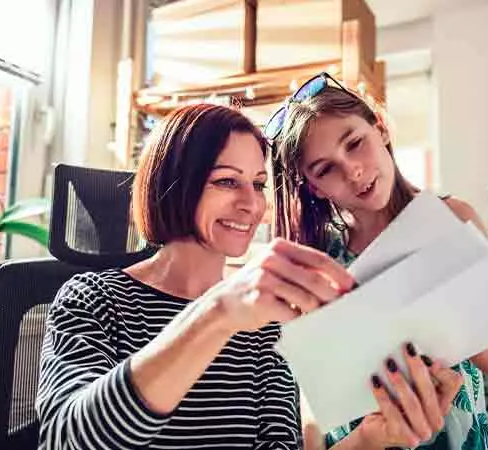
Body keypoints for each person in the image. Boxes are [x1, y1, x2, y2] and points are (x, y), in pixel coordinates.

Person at [35, 103, 356, 450]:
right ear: (174, 184)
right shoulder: (93, 299)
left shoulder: (262, 323)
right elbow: (66, 440)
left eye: (258, 184)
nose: (251, 204)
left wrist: (371, 437)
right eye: (227, 181)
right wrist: (215, 314)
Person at [267, 73, 488, 450]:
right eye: (325, 169)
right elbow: (310, 410)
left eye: (355, 143)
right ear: (314, 187)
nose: (352, 170)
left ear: (379, 128)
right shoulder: (315, 260)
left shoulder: (451, 219)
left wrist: (459, 322)